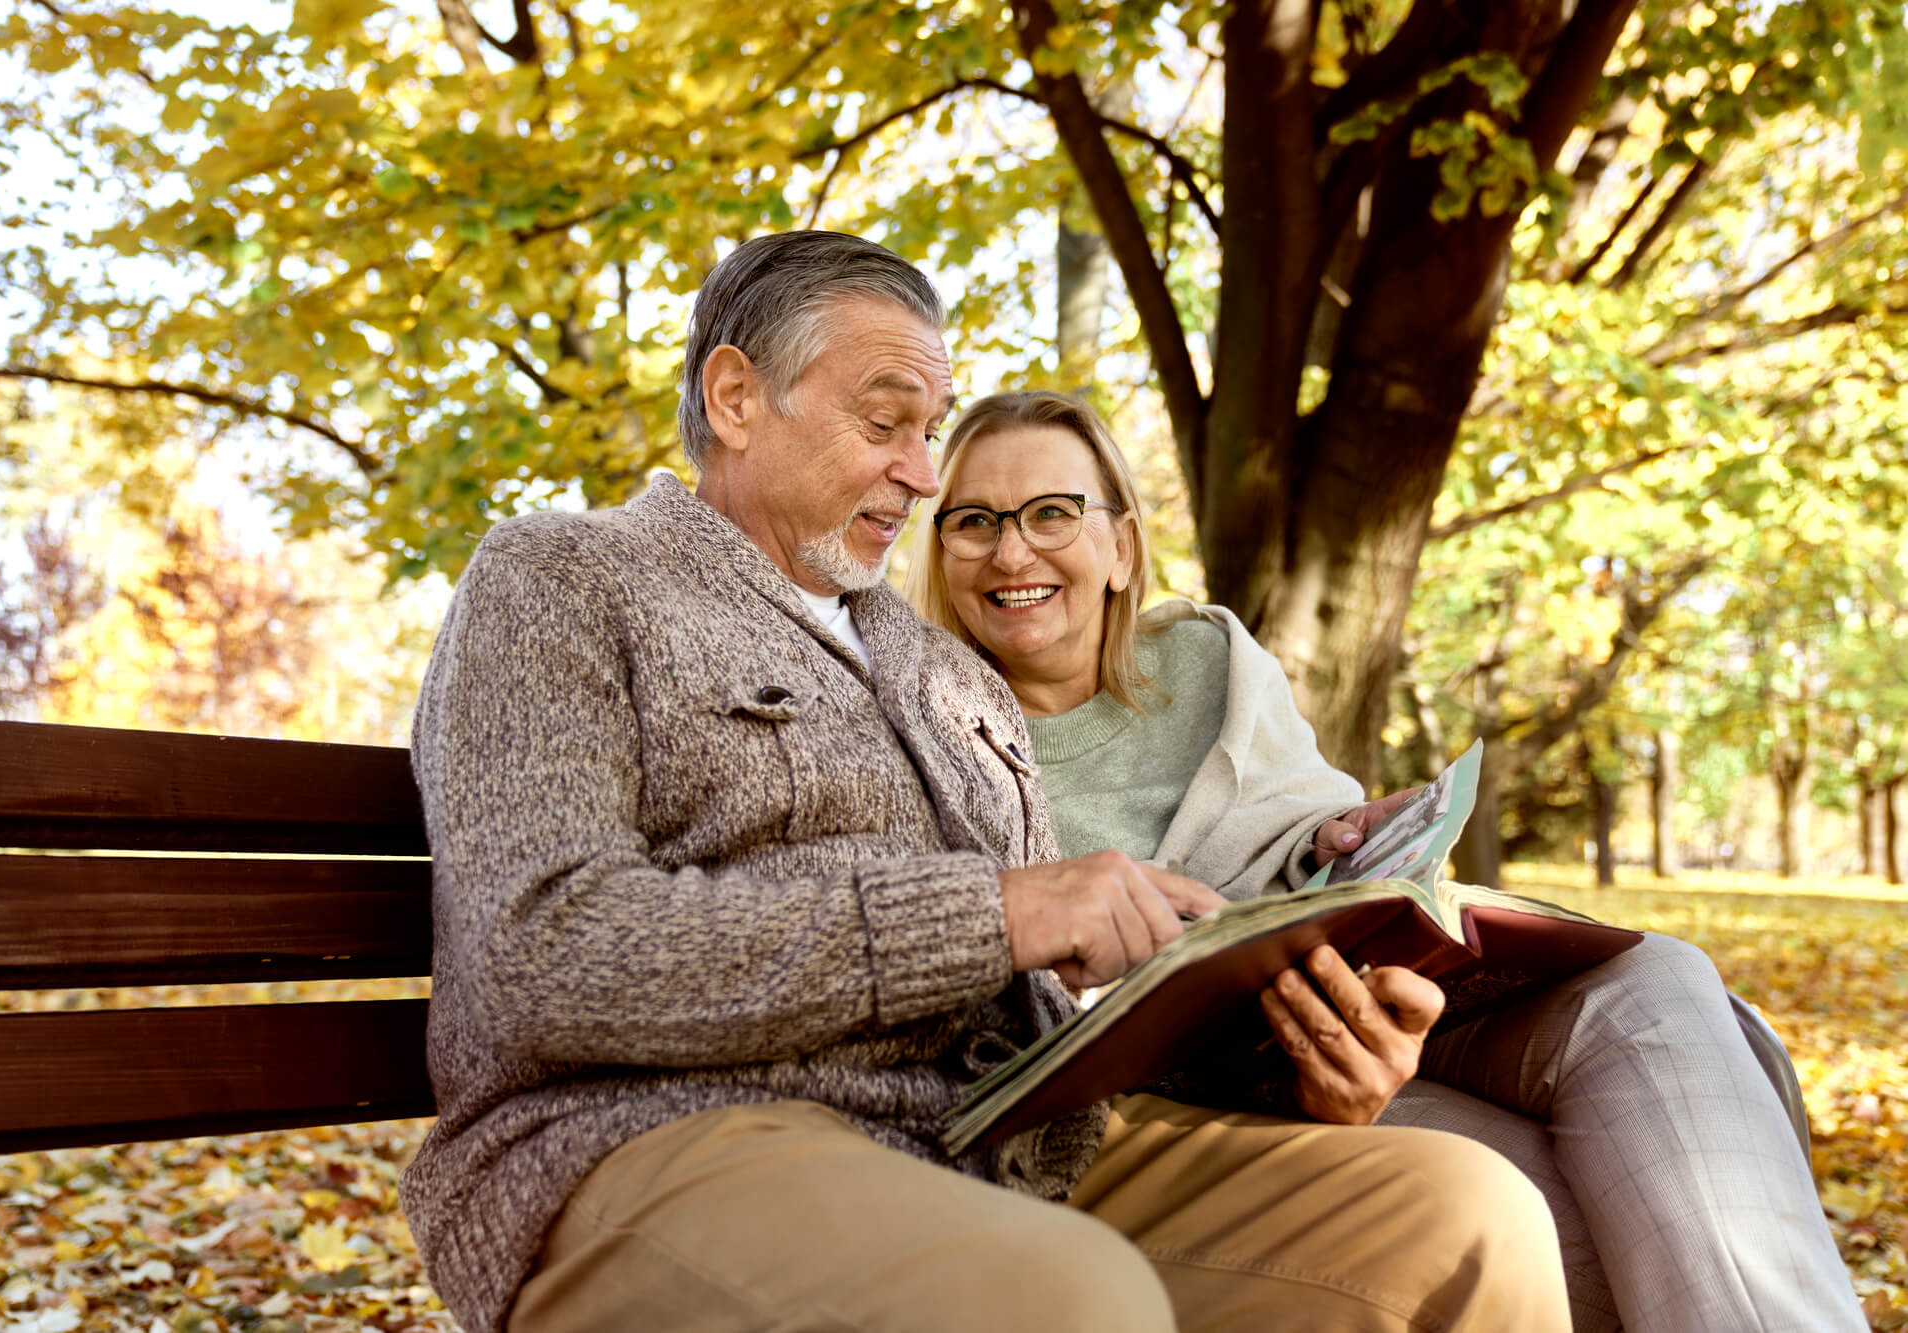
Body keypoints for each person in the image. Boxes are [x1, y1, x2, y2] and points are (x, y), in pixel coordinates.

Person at [403, 232, 1575, 1333]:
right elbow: (541, 953)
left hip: (996, 1140)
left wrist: (1300, 1056)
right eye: (884, 424)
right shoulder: (565, 578)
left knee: (1458, 1211)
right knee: (1065, 1296)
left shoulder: (941, 668)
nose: (920, 473)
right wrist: (999, 911)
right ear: (735, 397)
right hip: (659, 1139)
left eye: (930, 430)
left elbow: (1042, 1011)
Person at [903, 388, 1866, 1333]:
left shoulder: (1208, 658)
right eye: (973, 520)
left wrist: (1338, 837)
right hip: (1222, 1080)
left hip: (1377, 980)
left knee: (1658, 977)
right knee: (1599, 1207)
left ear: (1119, 546)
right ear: (941, 550)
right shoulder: (925, 736)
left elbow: (1298, 819)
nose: (1011, 549)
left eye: (1051, 513)